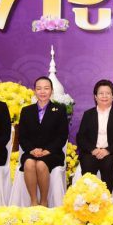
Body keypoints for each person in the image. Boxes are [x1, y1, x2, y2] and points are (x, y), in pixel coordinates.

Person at [18, 76, 69, 207]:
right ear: (34, 91)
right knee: (29, 163)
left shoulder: (59, 110)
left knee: (41, 164)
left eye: (46, 88)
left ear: (51, 91)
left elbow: (62, 136)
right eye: (39, 88)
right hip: (31, 151)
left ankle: (44, 201)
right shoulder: (26, 111)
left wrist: (48, 150)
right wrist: (31, 150)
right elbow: (22, 136)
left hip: (53, 153)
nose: (42, 91)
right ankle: (34, 201)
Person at [75, 80, 113, 193]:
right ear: (95, 96)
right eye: (101, 93)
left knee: (107, 164)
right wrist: (93, 150)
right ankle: (89, 198)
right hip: (92, 152)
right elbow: (81, 137)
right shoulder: (88, 114)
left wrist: (107, 150)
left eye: (108, 93)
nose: (104, 96)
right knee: (88, 164)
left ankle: (106, 199)